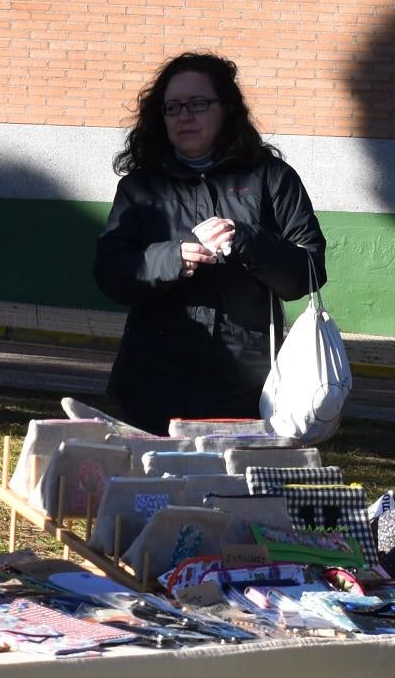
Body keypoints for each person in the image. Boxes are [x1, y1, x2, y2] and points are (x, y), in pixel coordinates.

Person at [93, 53, 327, 432]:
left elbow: (308, 272)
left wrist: (248, 240)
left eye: (198, 104)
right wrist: (173, 258)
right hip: (152, 387)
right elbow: (110, 273)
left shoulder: (272, 179)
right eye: (173, 107)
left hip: (245, 391)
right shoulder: (141, 187)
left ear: (226, 109)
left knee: (227, 490)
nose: (185, 116)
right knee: (153, 490)